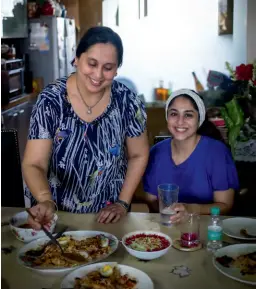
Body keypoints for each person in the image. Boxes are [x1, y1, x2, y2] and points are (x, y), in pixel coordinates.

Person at [22, 26, 149, 229]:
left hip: (108, 215)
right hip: (54, 214)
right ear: (77, 59)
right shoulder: (51, 100)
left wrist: (122, 203)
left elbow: (139, 154)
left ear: (117, 69)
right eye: (92, 64)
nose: (98, 74)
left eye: (108, 67)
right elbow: (34, 163)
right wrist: (46, 200)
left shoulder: (127, 101)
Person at [143, 89, 239, 223]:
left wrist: (191, 209)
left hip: (207, 231)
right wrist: (173, 216)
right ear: (167, 117)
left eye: (188, 115)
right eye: (174, 114)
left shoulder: (217, 153)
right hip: (167, 230)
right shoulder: (156, 153)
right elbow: (151, 201)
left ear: (199, 118)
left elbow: (225, 205)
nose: (180, 122)